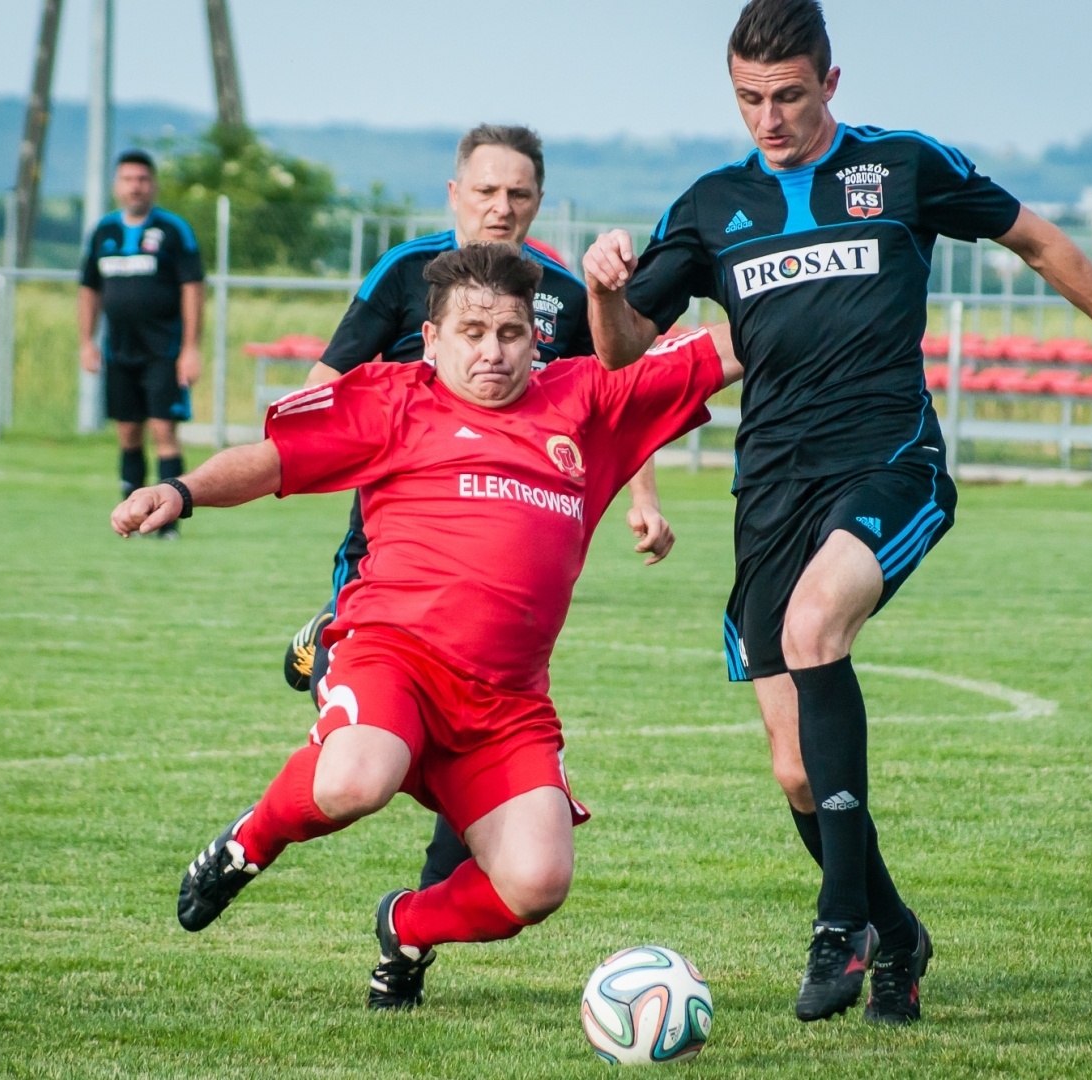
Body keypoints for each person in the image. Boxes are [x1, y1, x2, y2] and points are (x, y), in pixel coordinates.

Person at [583, 0, 1092, 1026]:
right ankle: (897, 931)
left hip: (888, 460)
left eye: (790, 95)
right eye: (750, 99)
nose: (770, 118)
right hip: (772, 490)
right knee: (796, 773)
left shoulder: (903, 167)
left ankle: (840, 927)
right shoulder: (709, 206)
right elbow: (618, 351)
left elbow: (1040, 242)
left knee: (813, 625)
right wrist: (602, 285)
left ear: (832, 84)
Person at [111, 243, 741, 1010]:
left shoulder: (588, 399)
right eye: (471, 333)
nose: (492, 352)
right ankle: (249, 843)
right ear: (433, 339)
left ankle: (406, 926)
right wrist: (182, 489)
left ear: (535, 338)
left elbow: (727, 347)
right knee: (353, 779)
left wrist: (846, 284)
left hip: (505, 704)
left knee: (538, 883)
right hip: (394, 658)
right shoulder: (393, 400)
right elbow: (275, 460)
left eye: (510, 333)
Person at [284, 125, 674, 696]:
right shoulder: (404, 269)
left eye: (518, 195)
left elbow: (615, 399)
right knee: (347, 692)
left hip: (511, 508)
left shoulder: (565, 294)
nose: (501, 208)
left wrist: (645, 500)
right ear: (454, 192)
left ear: (539, 201)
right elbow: (329, 375)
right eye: (486, 191)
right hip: (400, 510)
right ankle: (332, 640)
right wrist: (290, 454)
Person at [79, 149, 205, 539]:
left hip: (162, 352)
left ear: (154, 185)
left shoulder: (172, 231)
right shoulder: (104, 233)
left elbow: (193, 289)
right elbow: (89, 290)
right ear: (117, 185)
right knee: (127, 431)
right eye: (128, 179)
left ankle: (167, 521)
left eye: (143, 179)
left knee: (163, 429)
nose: (136, 186)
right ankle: (131, 515)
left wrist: (190, 347)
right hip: (120, 350)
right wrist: (86, 341)